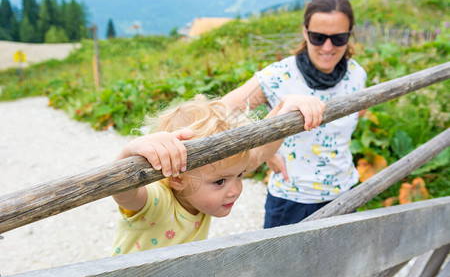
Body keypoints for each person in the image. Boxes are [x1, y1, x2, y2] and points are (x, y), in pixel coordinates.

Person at [111, 94, 325, 255]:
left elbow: (260, 152)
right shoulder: (156, 201)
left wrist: (284, 108)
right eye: (220, 182)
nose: (235, 190)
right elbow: (123, 192)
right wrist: (131, 150)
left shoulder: (197, 183)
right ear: (176, 178)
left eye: (239, 175)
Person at [222, 0, 367, 228]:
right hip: (292, 200)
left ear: (349, 35)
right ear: (305, 32)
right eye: (318, 37)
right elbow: (220, 112)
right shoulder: (279, 76)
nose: (328, 47)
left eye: (339, 38)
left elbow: (359, 113)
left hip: (345, 193)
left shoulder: (356, 74)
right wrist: (263, 150)